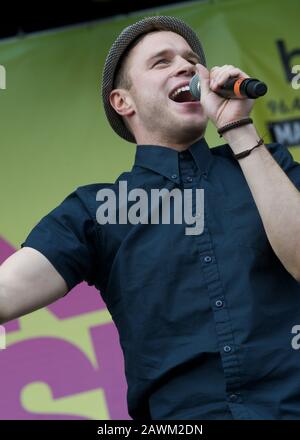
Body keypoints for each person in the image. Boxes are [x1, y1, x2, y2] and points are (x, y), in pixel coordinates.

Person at [1, 15, 300, 420]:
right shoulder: (97, 210)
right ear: (123, 101)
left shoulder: (267, 165)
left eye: (192, 59)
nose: (185, 66)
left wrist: (238, 127)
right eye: (161, 62)